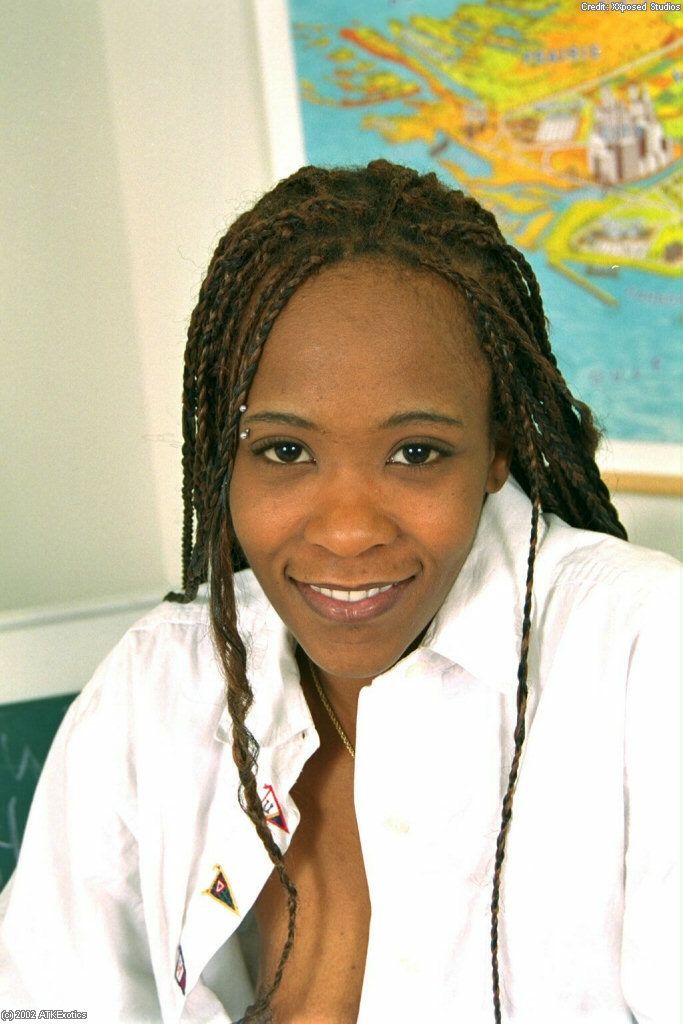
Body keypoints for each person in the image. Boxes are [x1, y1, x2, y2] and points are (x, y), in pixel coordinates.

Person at [0, 160, 679, 1024]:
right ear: (226, 457)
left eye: (415, 453)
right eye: (285, 451)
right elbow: (45, 997)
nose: (349, 530)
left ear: (496, 447)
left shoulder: (643, 654)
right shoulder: (163, 680)